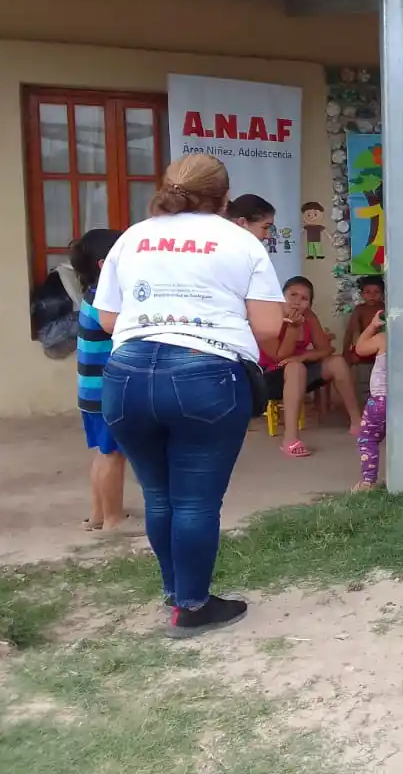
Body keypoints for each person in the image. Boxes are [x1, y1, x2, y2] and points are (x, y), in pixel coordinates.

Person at [93, 154, 285, 637]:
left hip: (126, 377)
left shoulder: (132, 237)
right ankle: (193, 607)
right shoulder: (240, 241)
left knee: (159, 497)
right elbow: (267, 327)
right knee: (196, 502)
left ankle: (175, 593)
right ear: (224, 198)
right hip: (205, 376)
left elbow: (109, 321)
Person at [71, 228, 132, 533]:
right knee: (113, 455)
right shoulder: (105, 303)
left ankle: (97, 514)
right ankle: (113, 519)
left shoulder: (90, 296)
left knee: (103, 453)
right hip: (106, 393)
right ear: (103, 264)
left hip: (91, 393)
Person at [263, 276, 362, 458]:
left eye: (304, 298)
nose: (297, 302)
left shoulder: (308, 316)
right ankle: (290, 439)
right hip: (268, 376)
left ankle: (358, 422)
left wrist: (304, 356)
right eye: (292, 295)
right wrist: (293, 329)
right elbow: (280, 356)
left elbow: (326, 348)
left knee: (337, 362)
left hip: (297, 369)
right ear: (281, 296)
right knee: (295, 368)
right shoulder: (270, 317)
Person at [351, 287, 403, 491]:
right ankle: (399, 480)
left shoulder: (384, 338)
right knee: (399, 441)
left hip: (380, 400)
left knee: (368, 437)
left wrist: (372, 326)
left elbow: (359, 348)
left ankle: (368, 481)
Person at [342, 276, 385, 364]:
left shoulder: (385, 308)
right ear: (362, 294)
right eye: (367, 292)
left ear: (383, 294)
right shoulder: (359, 309)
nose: (372, 295)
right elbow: (350, 332)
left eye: (376, 292)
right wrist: (346, 353)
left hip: (381, 346)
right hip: (363, 346)